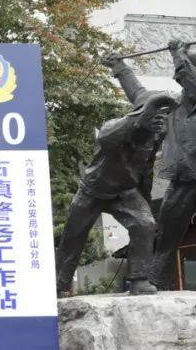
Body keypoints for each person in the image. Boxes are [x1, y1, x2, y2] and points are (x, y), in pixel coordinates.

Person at [55, 55, 173, 295]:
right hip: (93, 190)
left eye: (163, 118)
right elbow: (105, 136)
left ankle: (139, 279)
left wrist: (118, 66)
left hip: (125, 192)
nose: (160, 123)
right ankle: (57, 284)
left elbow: (136, 89)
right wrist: (139, 117)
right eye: (155, 118)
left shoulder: (156, 132)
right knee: (73, 238)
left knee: (145, 224)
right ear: (141, 115)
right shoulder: (118, 129)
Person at [149, 40, 196, 288]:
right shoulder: (176, 106)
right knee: (167, 230)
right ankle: (156, 280)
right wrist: (119, 69)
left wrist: (178, 55)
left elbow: (192, 83)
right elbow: (139, 96)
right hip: (185, 176)